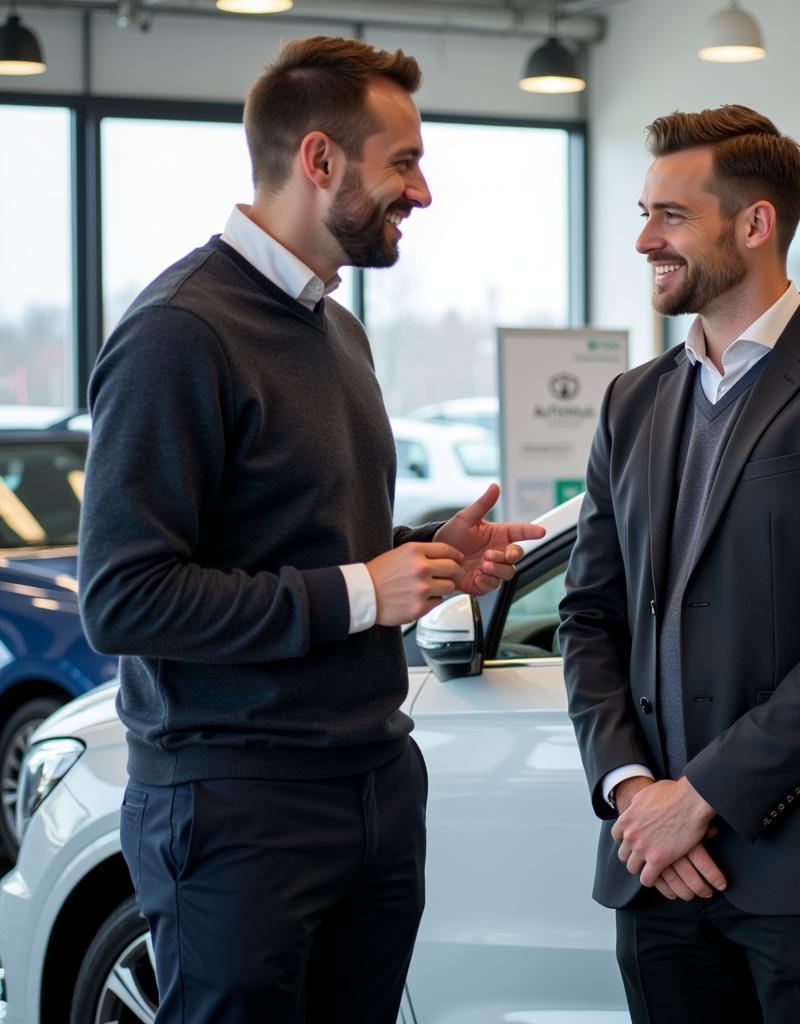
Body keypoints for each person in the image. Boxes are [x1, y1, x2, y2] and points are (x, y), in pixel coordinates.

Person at [78, 36, 543, 1024]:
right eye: (405, 162)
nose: (423, 193)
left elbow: (300, 542)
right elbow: (122, 596)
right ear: (320, 159)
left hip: (371, 781)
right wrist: (368, 590)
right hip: (238, 801)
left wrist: (426, 554)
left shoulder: (338, 328)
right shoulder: (179, 331)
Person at [558, 104, 800, 1023]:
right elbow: (587, 617)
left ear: (755, 223)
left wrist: (704, 798)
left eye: (672, 216)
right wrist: (638, 796)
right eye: (643, 213)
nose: (646, 238)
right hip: (655, 875)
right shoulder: (630, 403)